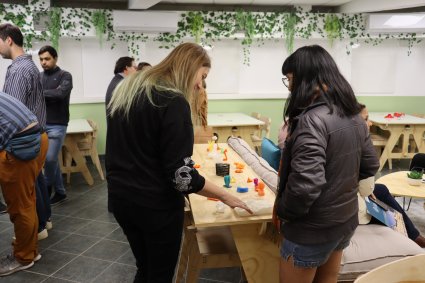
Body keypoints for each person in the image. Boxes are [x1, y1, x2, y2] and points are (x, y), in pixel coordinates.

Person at [106, 42, 252, 282]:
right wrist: (225, 195)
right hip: (155, 207)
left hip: (122, 199)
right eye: (202, 76)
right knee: (160, 275)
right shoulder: (173, 101)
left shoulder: (129, 89)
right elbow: (181, 177)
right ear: (190, 67)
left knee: (144, 267)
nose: (200, 85)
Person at [274, 45, 379, 283]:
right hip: (344, 223)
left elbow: (305, 186)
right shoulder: (354, 114)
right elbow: (370, 164)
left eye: (290, 79)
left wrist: (283, 211)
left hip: (310, 230)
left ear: (306, 79)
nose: (289, 87)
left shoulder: (311, 121)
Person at [0, 23, 51, 240]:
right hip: (38, 135)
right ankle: (43, 221)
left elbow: (12, 115)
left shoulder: (18, 70)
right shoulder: (30, 66)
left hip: (23, 140)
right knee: (36, 181)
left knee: (26, 192)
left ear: (8, 40)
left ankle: (35, 231)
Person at [358, 104, 425, 248]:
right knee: (380, 192)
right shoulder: (357, 146)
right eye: (366, 119)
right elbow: (365, 188)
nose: (370, 123)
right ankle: (412, 237)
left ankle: (412, 235)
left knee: (380, 190)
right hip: (350, 203)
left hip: (349, 195)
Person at [0, 92, 48, 276]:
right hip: (38, 137)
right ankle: (30, 250)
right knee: (27, 199)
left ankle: (23, 257)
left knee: (20, 205)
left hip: (21, 146)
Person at [39, 45, 73, 206]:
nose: (43, 62)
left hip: (58, 124)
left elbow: (60, 94)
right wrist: (49, 94)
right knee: (51, 161)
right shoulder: (38, 76)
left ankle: (46, 191)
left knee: (50, 159)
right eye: (41, 59)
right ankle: (60, 192)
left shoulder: (65, 75)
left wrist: (41, 93)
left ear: (55, 58)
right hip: (41, 124)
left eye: (47, 59)